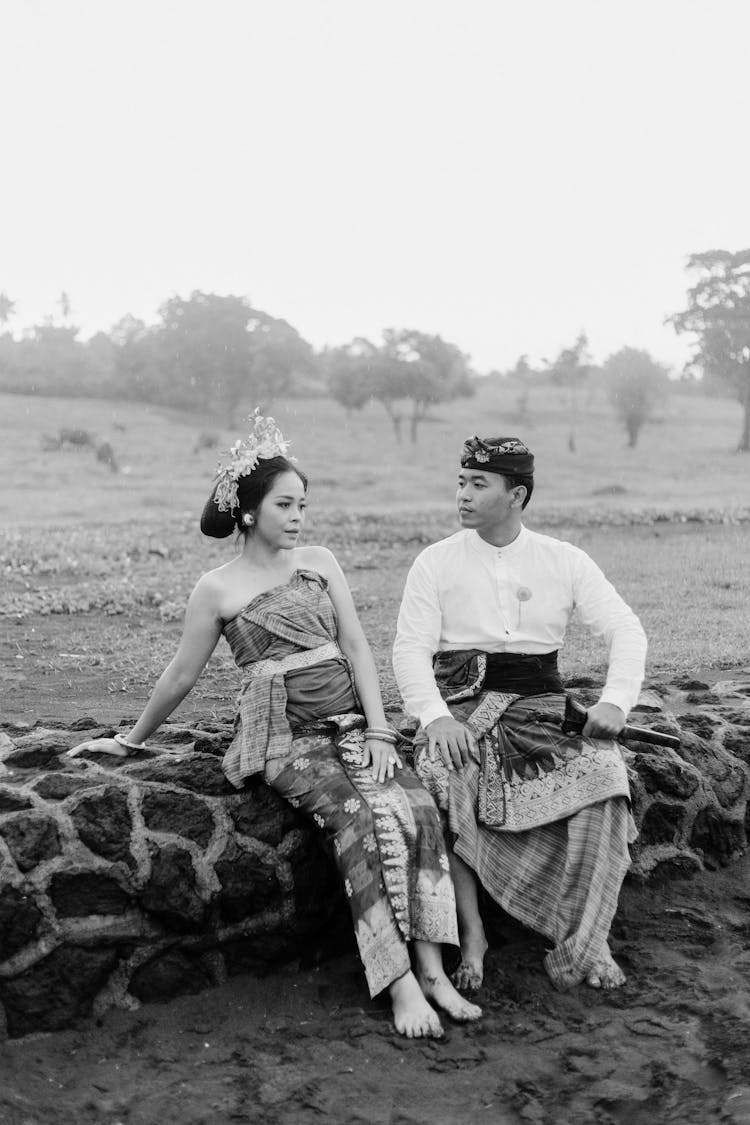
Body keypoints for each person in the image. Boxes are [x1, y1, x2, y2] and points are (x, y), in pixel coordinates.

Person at [70, 411, 481, 1039]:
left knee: (417, 807)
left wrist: (377, 731)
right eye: (285, 505)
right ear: (247, 511)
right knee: (357, 820)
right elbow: (180, 676)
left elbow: (357, 647)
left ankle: (432, 969)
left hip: (351, 724)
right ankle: (397, 982)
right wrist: (130, 741)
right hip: (285, 741)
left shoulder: (319, 561)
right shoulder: (217, 588)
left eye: (303, 505)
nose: (298, 518)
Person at [392, 435, 647, 993]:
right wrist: (435, 718)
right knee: (442, 774)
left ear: (517, 495)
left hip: (544, 711)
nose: (461, 494)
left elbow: (625, 629)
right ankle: (473, 930)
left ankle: (585, 937)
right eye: (460, 481)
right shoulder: (434, 562)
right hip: (462, 708)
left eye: (477, 484)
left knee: (605, 778)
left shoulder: (565, 559)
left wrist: (615, 700)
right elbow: (409, 649)